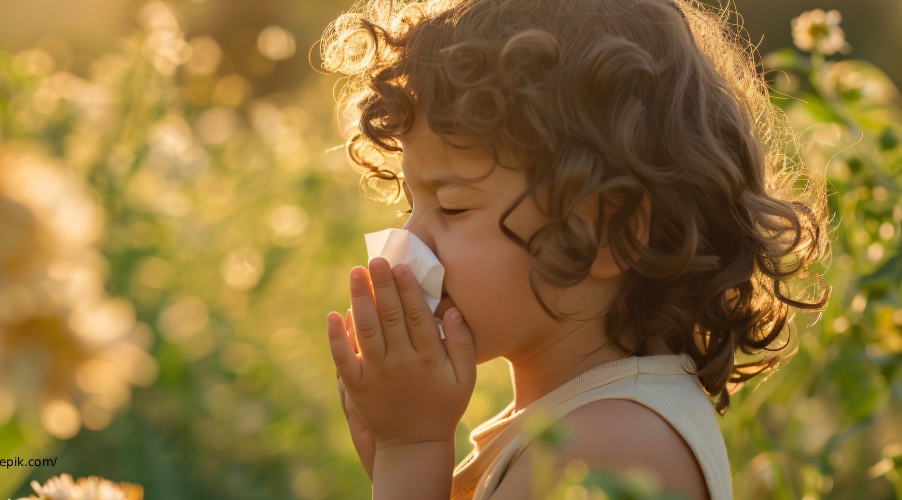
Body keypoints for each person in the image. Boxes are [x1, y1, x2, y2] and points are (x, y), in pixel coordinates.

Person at [320, 0, 830, 498]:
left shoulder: (613, 445)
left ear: (612, 232)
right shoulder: (580, 422)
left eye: (453, 207)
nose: (407, 244)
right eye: (410, 204)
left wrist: (410, 450)